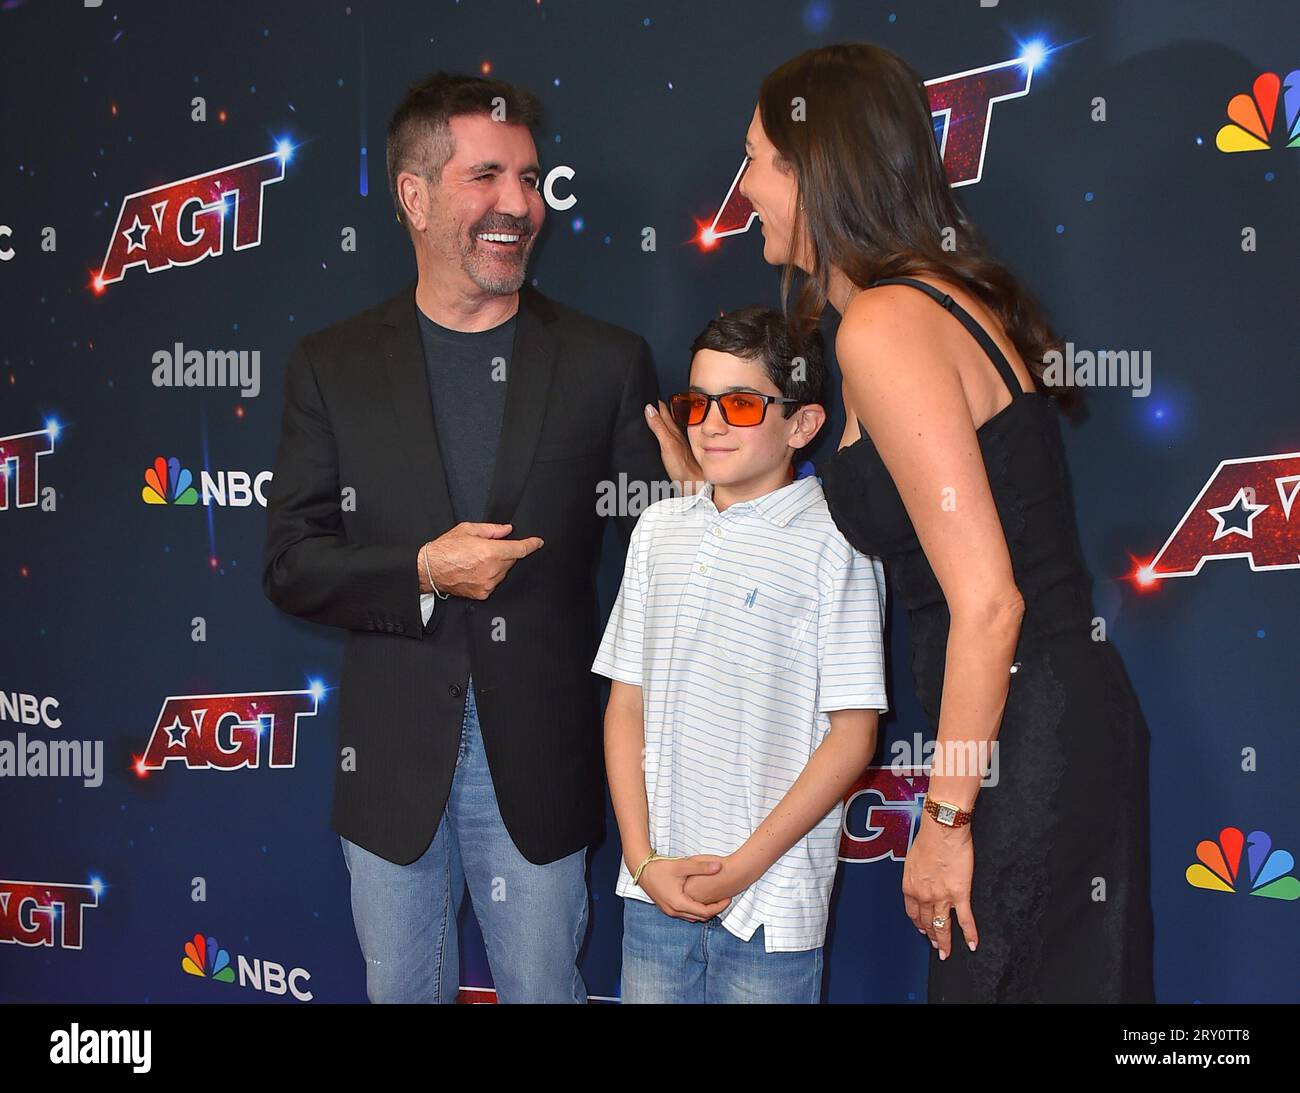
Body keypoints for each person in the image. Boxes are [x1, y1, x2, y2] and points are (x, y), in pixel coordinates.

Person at [644, 42, 1155, 1003]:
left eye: (755, 159)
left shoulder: (884, 323)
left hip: (1020, 737)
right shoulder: (916, 306)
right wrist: (705, 493)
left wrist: (949, 816)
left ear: (816, 172)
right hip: (1039, 719)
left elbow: (990, 604)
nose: (742, 186)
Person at [262, 71, 667, 1003]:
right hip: (391, 766)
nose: (518, 205)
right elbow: (291, 564)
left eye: (528, 179)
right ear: (414, 195)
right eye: (486, 177)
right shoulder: (332, 365)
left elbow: (664, 557)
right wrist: (420, 571)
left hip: (542, 759)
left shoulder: (608, 361)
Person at [595, 306, 889, 1003]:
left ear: (803, 424)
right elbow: (624, 704)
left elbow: (853, 734)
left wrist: (740, 870)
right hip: (653, 891)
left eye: (742, 403)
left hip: (774, 903)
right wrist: (642, 860)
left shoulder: (836, 542)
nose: (711, 423)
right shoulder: (659, 531)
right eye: (697, 402)